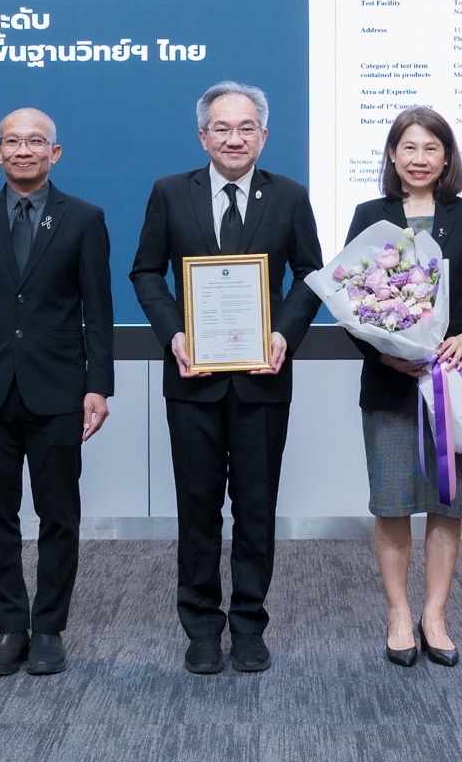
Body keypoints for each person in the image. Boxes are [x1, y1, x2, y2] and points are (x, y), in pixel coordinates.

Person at [130, 80, 323, 675]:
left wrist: (284, 334)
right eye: (222, 128)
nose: (234, 139)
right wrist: (174, 334)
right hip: (193, 377)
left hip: (263, 378)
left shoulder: (289, 196)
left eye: (245, 129)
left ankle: (248, 625)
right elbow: (146, 272)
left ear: (263, 136)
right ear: (203, 136)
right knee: (198, 506)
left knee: (256, 506)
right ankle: (201, 627)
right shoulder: (170, 193)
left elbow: (309, 273)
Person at [0, 107, 114, 677]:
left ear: (55, 153)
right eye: (12, 142)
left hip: (58, 390)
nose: (23, 150)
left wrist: (98, 386)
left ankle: (49, 628)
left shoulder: (84, 218)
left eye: (36, 141)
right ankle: (11, 627)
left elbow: (98, 314)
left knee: (58, 514)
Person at [343, 107, 462, 667]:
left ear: (446, 157)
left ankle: (435, 615)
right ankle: (398, 614)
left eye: (431, 148)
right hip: (390, 384)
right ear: (392, 154)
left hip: (452, 381)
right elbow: (350, 299)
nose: (419, 158)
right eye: (409, 147)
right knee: (391, 504)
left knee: (446, 503)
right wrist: (385, 354)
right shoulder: (370, 215)